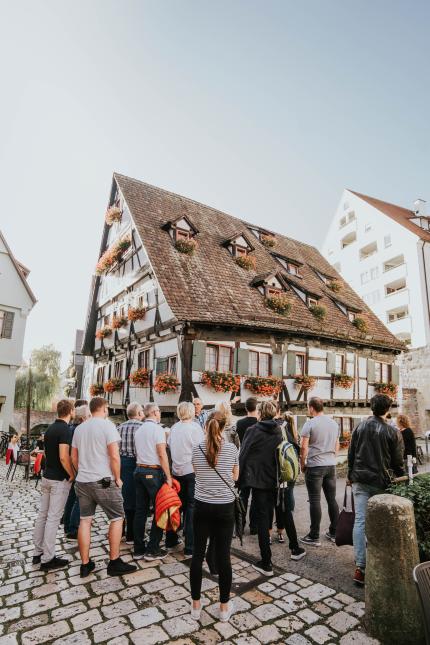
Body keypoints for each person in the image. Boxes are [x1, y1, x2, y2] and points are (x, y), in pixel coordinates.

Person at [71, 397, 137, 578]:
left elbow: (74, 457)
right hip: (103, 480)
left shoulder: (80, 428)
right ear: (105, 408)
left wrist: (81, 472)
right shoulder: (107, 426)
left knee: (85, 520)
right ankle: (114, 561)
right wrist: (118, 478)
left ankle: (85, 564)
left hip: (83, 480)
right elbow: (115, 456)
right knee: (117, 518)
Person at [348, 394, 405, 585]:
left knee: (361, 521)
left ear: (372, 407)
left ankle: (360, 568)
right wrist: (403, 478)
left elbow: (351, 453)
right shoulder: (392, 432)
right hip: (381, 482)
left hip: (360, 479)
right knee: (381, 522)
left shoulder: (359, 427)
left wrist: (350, 474)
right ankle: (381, 564)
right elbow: (398, 462)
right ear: (388, 409)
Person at [190, 412, 239, 622]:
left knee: (197, 555)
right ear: (223, 426)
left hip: (202, 505)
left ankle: (195, 606)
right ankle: (224, 608)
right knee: (224, 556)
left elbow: (197, 473)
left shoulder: (196, 449)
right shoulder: (231, 449)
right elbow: (235, 476)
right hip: (224, 507)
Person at [239, 400, 282, 576]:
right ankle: (266, 560)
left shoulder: (253, 430)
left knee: (262, 521)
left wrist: (238, 480)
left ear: (260, 412)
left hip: (257, 480)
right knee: (266, 516)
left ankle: (266, 562)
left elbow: (243, 454)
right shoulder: (279, 430)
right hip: (273, 480)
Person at [32, 400, 75, 570]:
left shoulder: (50, 428)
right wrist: (72, 473)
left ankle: (38, 552)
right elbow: (64, 456)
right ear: (70, 411)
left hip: (47, 476)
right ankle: (48, 558)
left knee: (43, 515)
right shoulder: (65, 429)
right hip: (58, 480)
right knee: (53, 518)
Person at [134, 403, 175, 561]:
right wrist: (169, 477)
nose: (160, 414)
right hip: (153, 471)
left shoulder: (139, 429)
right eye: (159, 411)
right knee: (161, 509)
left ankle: (138, 549)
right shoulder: (157, 429)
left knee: (140, 511)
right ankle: (153, 548)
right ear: (154, 412)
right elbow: (162, 454)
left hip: (139, 470)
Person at [299, 397, 340, 547]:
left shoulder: (309, 424)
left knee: (315, 500)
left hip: (315, 466)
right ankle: (335, 533)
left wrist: (302, 464)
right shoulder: (334, 423)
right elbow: (336, 444)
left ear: (311, 408)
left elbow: (304, 448)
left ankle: (314, 535)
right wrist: (332, 457)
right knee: (332, 499)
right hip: (331, 465)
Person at [168, 401, 204, 556]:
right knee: (191, 508)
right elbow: (202, 448)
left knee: (177, 506)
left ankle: (171, 538)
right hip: (191, 471)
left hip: (177, 471)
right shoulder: (195, 428)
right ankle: (190, 546)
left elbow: (169, 446)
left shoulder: (174, 428)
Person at [272, 413, 306, 560]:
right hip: (281, 476)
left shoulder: (255, 429)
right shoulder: (281, 429)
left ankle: (266, 556)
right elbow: (295, 448)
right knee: (284, 509)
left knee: (266, 510)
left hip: (264, 477)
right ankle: (294, 547)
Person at [117, 402, 144, 544]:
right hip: (136, 462)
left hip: (122, 463)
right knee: (136, 499)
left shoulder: (119, 427)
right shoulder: (142, 427)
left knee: (123, 497)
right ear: (139, 413)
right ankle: (131, 535)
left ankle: (120, 531)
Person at [63, 404, 91, 540]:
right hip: (78, 468)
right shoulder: (79, 429)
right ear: (83, 417)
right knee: (79, 499)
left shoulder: (71, 428)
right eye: (89, 415)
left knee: (72, 498)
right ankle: (73, 528)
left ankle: (67, 524)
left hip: (74, 468)